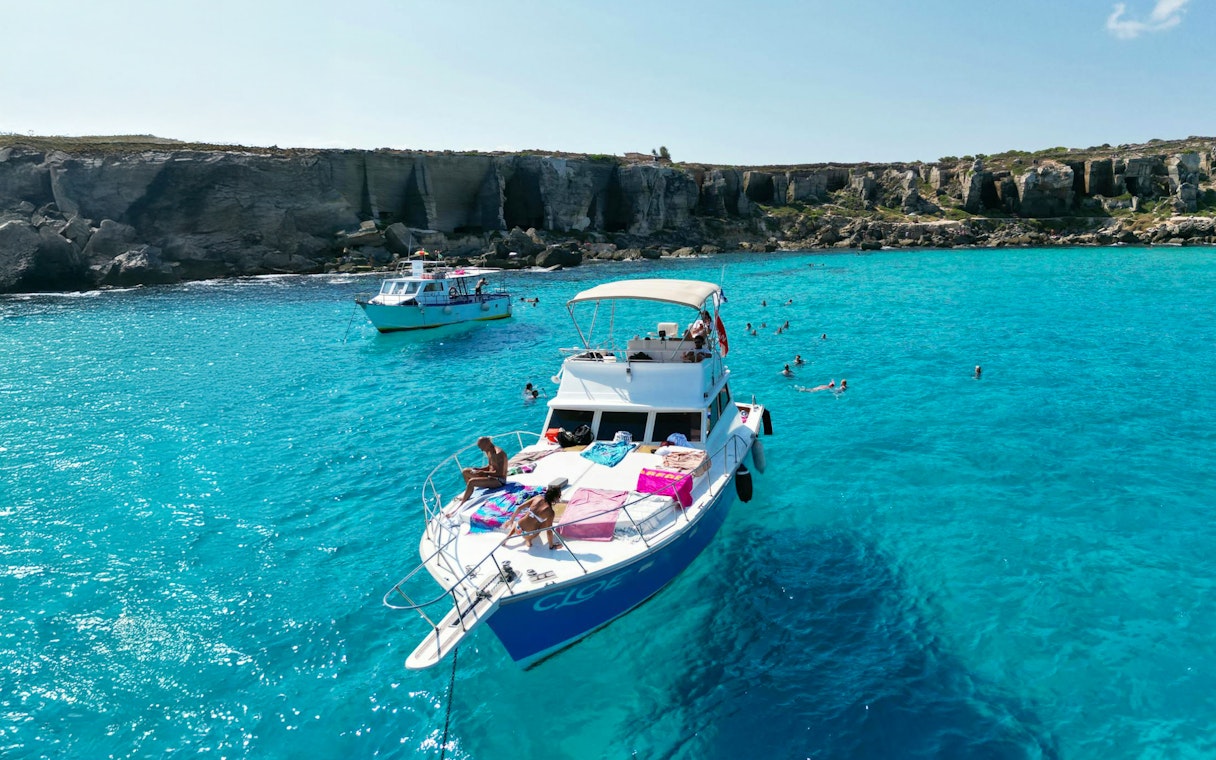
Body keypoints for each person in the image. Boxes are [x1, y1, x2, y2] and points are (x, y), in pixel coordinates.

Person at [506, 485, 563, 549]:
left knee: (527, 515)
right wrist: (551, 546)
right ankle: (528, 540)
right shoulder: (550, 512)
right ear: (555, 497)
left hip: (518, 528)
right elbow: (549, 531)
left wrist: (511, 520)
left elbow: (519, 508)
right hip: (528, 535)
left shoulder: (538, 497)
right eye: (559, 496)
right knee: (545, 524)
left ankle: (508, 536)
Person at [455, 436, 508, 505]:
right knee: (465, 472)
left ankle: (462, 503)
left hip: (499, 481)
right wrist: (480, 469)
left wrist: (484, 473)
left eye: (482, 447)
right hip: (490, 476)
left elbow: (500, 473)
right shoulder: (488, 451)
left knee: (471, 482)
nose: (482, 450)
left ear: (487, 443)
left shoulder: (498, 454)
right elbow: (490, 466)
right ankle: (469, 492)